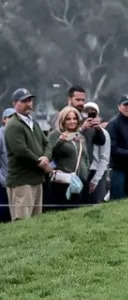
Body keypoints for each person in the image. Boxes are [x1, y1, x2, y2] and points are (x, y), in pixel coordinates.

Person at [3, 88, 52, 221]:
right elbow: (21, 151)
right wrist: (40, 163)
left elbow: (46, 143)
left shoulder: (33, 122)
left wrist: (46, 157)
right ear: (14, 104)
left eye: (30, 100)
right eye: (24, 101)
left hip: (36, 179)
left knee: (35, 224)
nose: (28, 104)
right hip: (22, 181)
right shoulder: (13, 125)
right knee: (21, 223)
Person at [43, 106, 90, 209]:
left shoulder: (79, 136)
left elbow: (85, 156)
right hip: (62, 182)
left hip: (79, 181)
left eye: (74, 118)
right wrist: (60, 142)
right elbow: (49, 156)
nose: (72, 121)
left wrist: (86, 171)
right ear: (62, 121)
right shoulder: (54, 135)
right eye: (68, 119)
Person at [81, 102, 111, 204]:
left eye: (93, 113)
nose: (89, 115)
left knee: (96, 202)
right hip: (82, 170)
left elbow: (104, 158)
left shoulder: (103, 133)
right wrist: (82, 130)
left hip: (97, 171)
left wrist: (95, 180)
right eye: (86, 112)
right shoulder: (80, 130)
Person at [0, 107, 14, 223]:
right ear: (4, 120)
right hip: (4, 183)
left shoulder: (17, 135)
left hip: (17, 182)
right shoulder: (0, 136)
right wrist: (3, 180)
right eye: (10, 117)